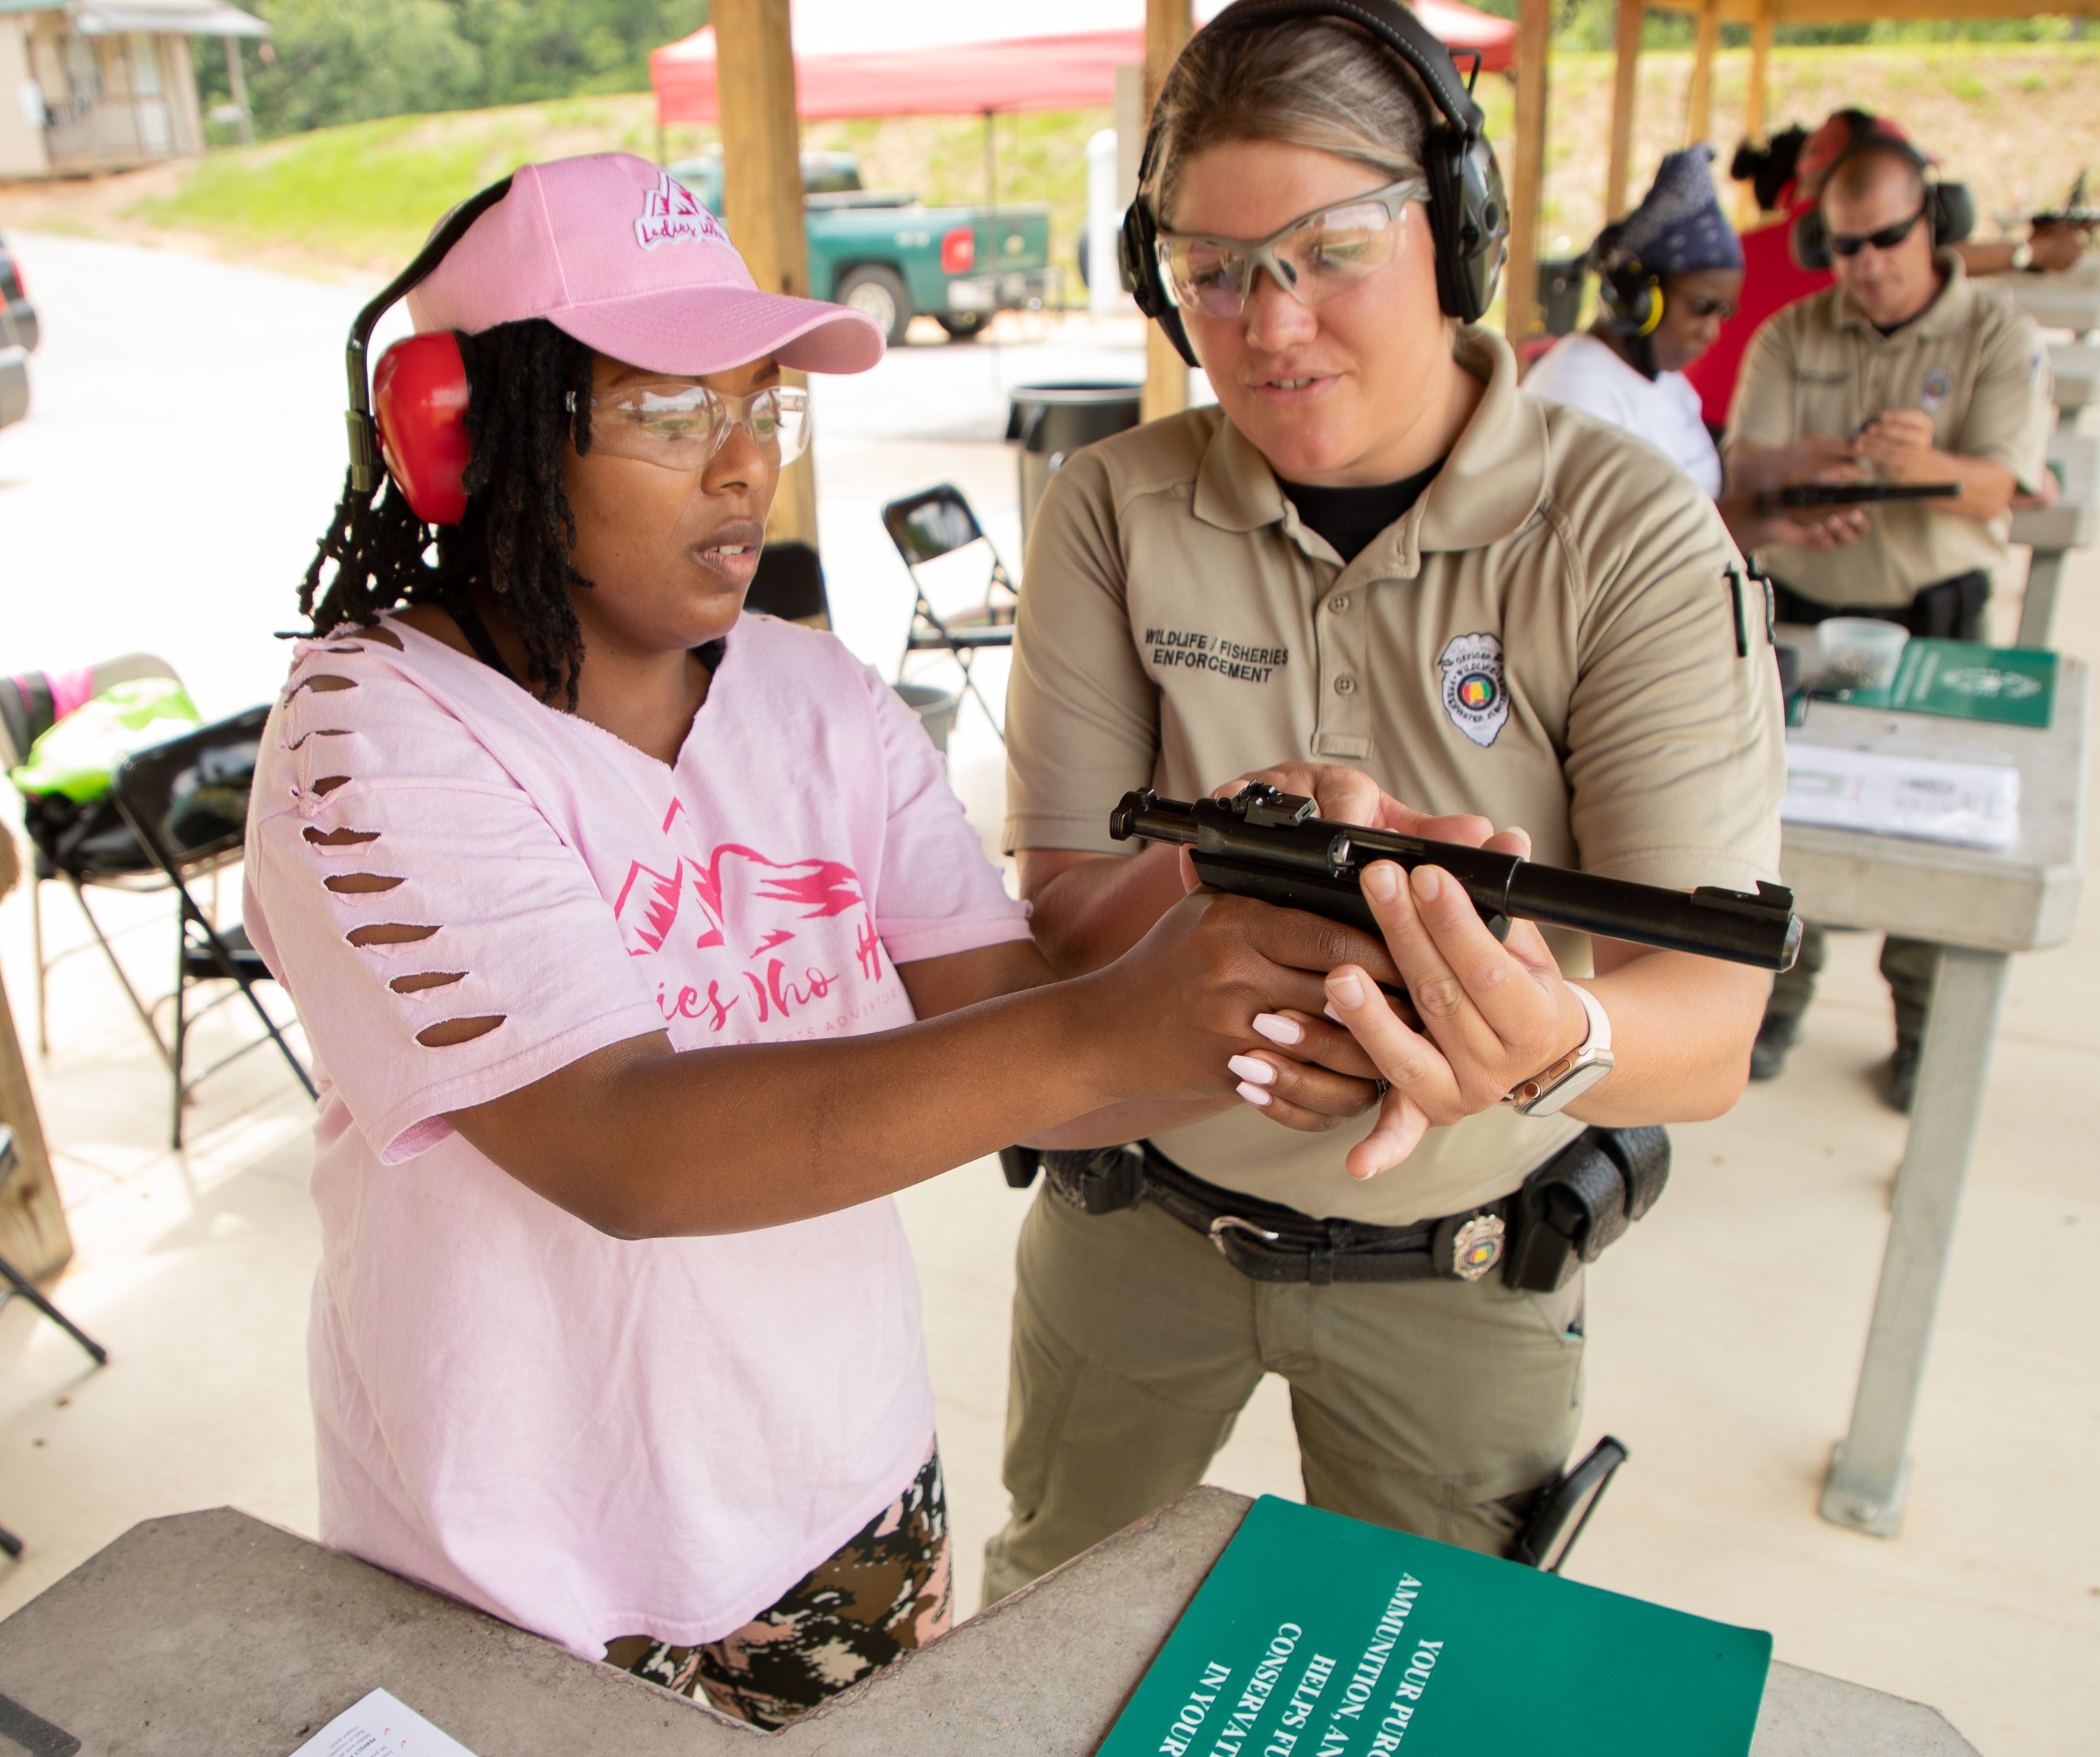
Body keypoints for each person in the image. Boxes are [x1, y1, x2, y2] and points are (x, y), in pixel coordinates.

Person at [241, 152, 1399, 1728]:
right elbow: (621, 1146)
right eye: (667, 412)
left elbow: (1034, 1048)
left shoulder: (819, 698)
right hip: (516, 1563)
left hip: (840, 1489)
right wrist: (1121, 1019)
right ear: (462, 436)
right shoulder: (372, 737)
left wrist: (1241, 916)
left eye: (763, 407)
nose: (743, 468)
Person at [988, 0, 1787, 1600]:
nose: (1269, 324)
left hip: (1463, 1258)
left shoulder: (1626, 534)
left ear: (1458, 232)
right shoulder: (1116, 506)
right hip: (1131, 1212)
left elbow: (1705, 1021)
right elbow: (1067, 901)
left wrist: (1554, 1042)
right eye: (1212, 269)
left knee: (1434, 1668)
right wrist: (1241, 854)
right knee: (1042, 1626)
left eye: (1330, 249)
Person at [1721, 115, 2054, 1105]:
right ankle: (1774, 1006)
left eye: (1887, 241)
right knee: (1777, 830)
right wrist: (1800, 480)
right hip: (1806, 610)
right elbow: (1744, 466)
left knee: (1936, 836)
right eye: (1845, 247)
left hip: (1937, 615)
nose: (1866, 267)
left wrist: (1928, 469)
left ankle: (1921, 1028)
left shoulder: (1999, 332)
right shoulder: (1791, 333)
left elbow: (2006, 487)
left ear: (1935, 224)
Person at [1526, 145, 1865, 553]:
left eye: (1723, 313)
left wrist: (1777, 516)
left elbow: (1688, 522)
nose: (1713, 332)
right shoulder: (1574, 392)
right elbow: (1617, 558)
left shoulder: (1667, 384)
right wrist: (1764, 511)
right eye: (1703, 308)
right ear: (1635, 294)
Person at [1688, 111, 2090, 433]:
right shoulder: (1848, 265)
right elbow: (1930, 263)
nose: (1872, 258)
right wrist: (2032, 252)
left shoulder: (1745, 243)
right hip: (1748, 451)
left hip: (1701, 434)